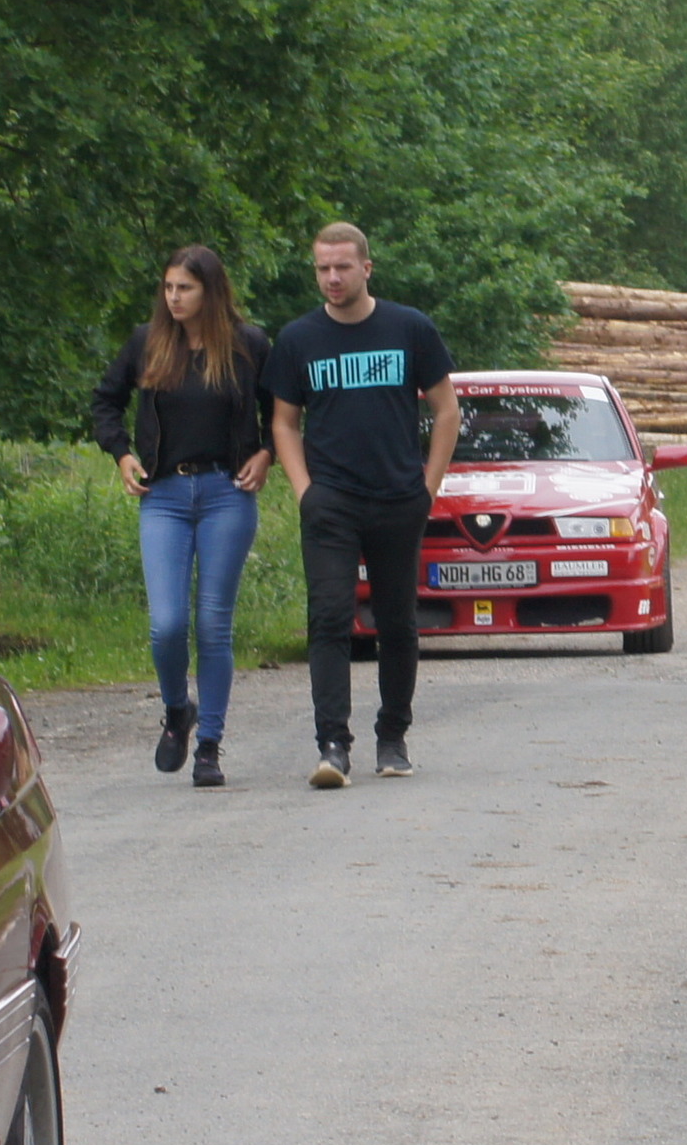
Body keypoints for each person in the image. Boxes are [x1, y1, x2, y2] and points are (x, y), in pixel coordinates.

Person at [265, 223, 457, 788]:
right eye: (323, 268)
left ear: (366, 268)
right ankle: (332, 745)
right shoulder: (298, 339)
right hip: (331, 503)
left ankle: (392, 736)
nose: (332, 278)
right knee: (328, 617)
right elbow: (283, 421)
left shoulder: (409, 328)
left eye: (343, 267)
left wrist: (429, 486)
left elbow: (447, 410)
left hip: (399, 497)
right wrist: (305, 490)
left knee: (397, 621)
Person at [89, 245, 274, 790]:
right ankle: (177, 711)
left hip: (226, 491)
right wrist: (122, 452)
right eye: (168, 287)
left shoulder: (248, 344)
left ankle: (210, 746)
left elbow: (282, 409)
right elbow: (105, 400)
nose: (173, 298)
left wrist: (266, 453)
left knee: (213, 623)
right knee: (167, 624)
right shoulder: (148, 342)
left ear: (210, 291)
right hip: (164, 495)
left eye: (185, 288)